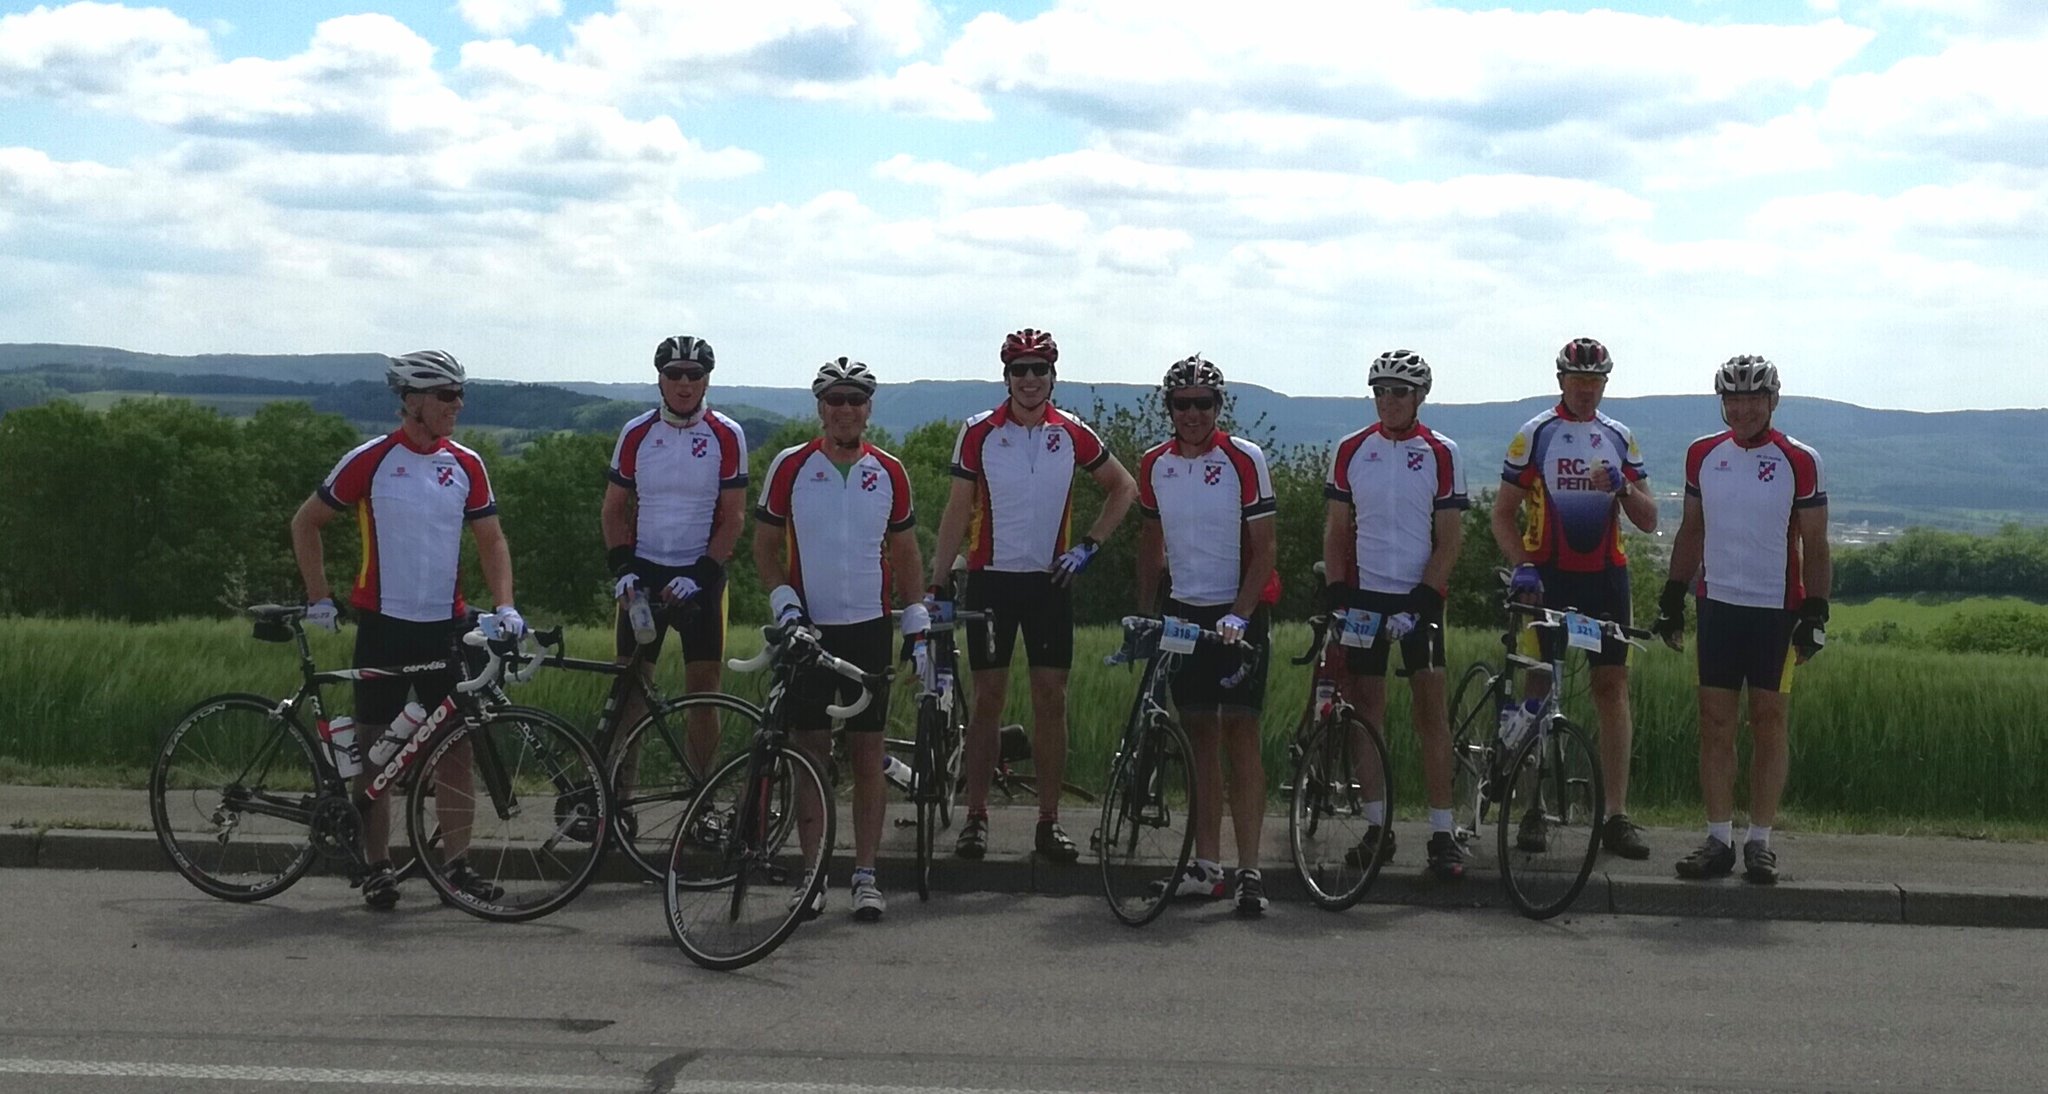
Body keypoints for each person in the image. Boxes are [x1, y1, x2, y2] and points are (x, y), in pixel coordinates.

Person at [288, 349, 523, 909]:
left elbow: (492, 540)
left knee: (457, 751)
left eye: (461, 394)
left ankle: (457, 867)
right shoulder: (371, 459)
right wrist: (319, 596)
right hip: (385, 624)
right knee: (378, 753)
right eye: (447, 395)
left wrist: (506, 606)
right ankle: (377, 866)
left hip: (447, 627)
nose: (458, 405)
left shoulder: (467, 463)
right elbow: (306, 522)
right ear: (413, 401)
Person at [928, 328, 1138, 864]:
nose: (1029, 379)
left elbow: (1124, 487)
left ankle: (1049, 820)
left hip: (1049, 582)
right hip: (991, 580)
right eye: (1019, 369)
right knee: (988, 701)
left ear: (1052, 376)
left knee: (1051, 700)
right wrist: (936, 580)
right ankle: (976, 816)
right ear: (1006, 377)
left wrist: (1089, 546)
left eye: (1038, 369)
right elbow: (957, 509)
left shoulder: (1071, 432)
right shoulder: (978, 432)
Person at [753, 357, 926, 922]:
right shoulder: (791, 466)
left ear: (869, 408)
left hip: (869, 627)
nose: (845, 409)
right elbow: (764, 546)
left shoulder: (890, 471)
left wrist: (916, 617)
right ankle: (813, 874)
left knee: (867, 754)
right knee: (811, 752)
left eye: (855, 400)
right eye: (835, 400)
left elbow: (905, 551)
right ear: (820, 409)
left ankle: (866, 874)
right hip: (811, 627)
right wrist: (784, 601)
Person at [1654, 355, 1830, 885]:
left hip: (1777, 610)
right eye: (1733, 398)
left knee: (1768, 722)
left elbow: (1816, 543)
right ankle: (1717, 839)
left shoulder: (1800, 460)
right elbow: (1691, 529)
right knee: (1715, 724)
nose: (1742, 408)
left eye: (1753, 398)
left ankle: (1760, 841)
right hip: (1718, 605)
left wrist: (1816, 611)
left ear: (1772, 401)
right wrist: (1672, 596)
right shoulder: (1703, 454)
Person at [1490, 337, 1659, 860]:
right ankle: (1533, 806)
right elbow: (1502, 514)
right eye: (1578, 380)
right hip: (1548, 578)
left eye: (1595, 381)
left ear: (1606, 384)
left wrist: (1624, 488)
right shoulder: (1536, 434)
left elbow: (1649, 520)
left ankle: (1616, 816)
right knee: (1540, 686)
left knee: (1612, 689)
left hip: (1606, 579)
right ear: (1561, 380)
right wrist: (1522, 564)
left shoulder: (1619, 437)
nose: (1587, 390)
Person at [1133, 355, 1279, 917]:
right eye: (1182, 404)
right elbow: (1151, 545)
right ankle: (1207, 866)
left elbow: (1266, 549)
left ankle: (1250, 871)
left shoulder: (1244, 458)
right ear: (1168, 408)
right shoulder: (1154, 464)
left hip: (1238, 609)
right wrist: (1144, 614)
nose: (1192, 414)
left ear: (1219, 406)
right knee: (1198, 735)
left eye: (1203, 403)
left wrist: (1240, 613)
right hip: (1184, 610)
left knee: (1241, 732)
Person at [1322, 350, 1469, 879]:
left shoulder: (1441, 452)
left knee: (1431, 714)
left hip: (1418, 597)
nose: (1388, 400)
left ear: (1420, 396)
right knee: (1367, 713)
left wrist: (1425, 599)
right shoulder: (1351, 449)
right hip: (1366, 597)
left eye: (1400, 392)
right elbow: (1336, 529)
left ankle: (1442, 832)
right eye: (1380, 391)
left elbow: (1450, 538)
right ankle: (1376, 826)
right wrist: (1337, 593)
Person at [602, 335, 747, 785]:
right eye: (674, 374)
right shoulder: (637, 432)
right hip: (644, 570)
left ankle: (700, 795)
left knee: (703, 694)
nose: (684, 384)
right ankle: (620, 797)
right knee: (630, 690)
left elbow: (734, 517)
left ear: (706, 381)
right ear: (660, 379)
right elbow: (613, 509)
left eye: (694, 375)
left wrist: (701, 574)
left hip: (700, 575)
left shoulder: (727, 434)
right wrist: (622, 568)